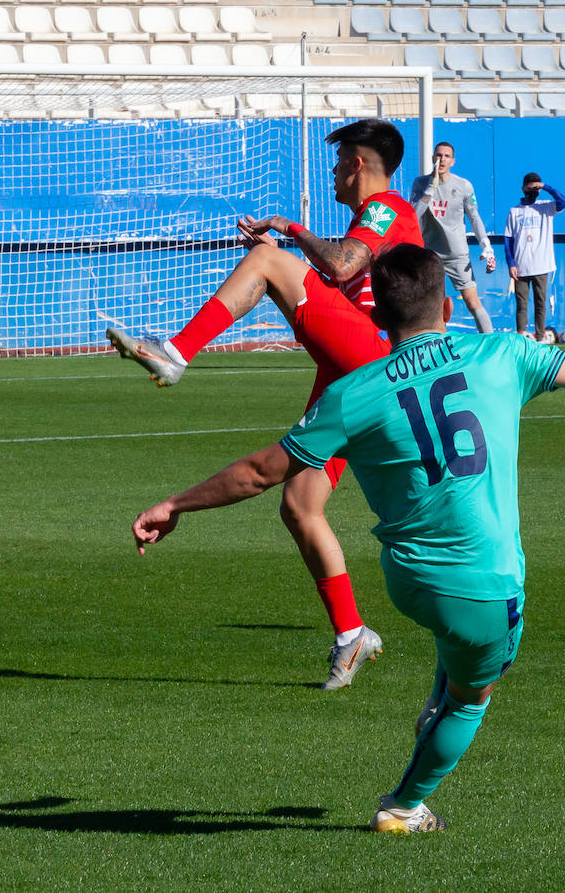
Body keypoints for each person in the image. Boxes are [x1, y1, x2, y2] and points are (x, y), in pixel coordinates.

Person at [130, 243, 565, 833]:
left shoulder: (351, 393)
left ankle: (436, 695)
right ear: (447, 305)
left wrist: (175, 503)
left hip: (407, 579)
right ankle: (405, 806)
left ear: (378, 319)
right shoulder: (504, 353)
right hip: (484, 583)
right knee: (473, 694)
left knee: (453, 635)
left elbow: (259, 473)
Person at [105, 118, 424, 691]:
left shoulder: (386, 209)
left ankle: (176, 354)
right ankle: (352, 635)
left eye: (337, 162)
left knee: (271, 262)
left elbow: (345, 264)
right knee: (300, 506)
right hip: (352, 371)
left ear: (357, 164)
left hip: (376, 358)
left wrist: (291, 232)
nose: (331, 172)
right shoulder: (377, 219)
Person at [409, 141, 497, 334]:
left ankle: (491, 345)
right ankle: (438, 348)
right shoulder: (420, 183)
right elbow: (413, 216)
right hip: (430, 255)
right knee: (433, 308)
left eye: (446, 156)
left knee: (472, 302)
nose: (442, 159)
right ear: (433, 158)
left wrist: (486, 246)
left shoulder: (464, 186)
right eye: (438, 155)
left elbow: (474, 217)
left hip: (457, 254)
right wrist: (429, 190)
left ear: (453, 161)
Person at [503, 172, 565, 338]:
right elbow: (508, 239)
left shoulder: (546, 207)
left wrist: (545, 187)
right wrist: (511, 264)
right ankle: (521, 335)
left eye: (535, 186)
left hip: (541, 264)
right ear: (523, 188)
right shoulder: (514, 211)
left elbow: (563, 202)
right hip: (521, 266)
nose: (532, 189)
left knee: (540, 303)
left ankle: (539, 336)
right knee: (521, 304)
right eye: (530, 186)